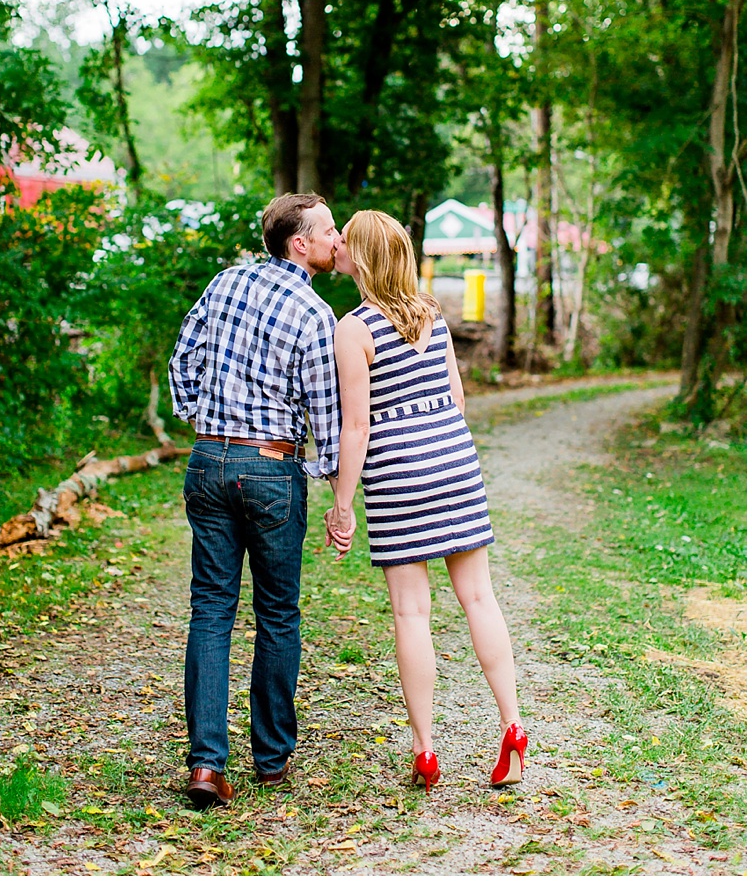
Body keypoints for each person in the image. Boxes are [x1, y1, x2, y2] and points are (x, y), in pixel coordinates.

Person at [325, 210, 527, 792]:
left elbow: (357, 427)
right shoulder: (431, 315)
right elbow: (457, 400)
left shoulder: (354, 329)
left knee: (412, 614)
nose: (336, 248)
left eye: (346, 244)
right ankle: (512, 725)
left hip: (397, 472)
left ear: (360, 258)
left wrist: (344, 504)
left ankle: (426, 750)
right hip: (454, 460)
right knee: (480, 599)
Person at [169, 193, 341, 809]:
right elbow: (327, 413)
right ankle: (270, 759)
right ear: (301, 243)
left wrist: (200, 416)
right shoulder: (315, 315)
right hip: (271, 468)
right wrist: (333, 484)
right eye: (328, 230)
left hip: (208, 461)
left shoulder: (225, 283)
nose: (337, 238)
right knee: (277, 614)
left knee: (211, 610)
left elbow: (181, 356)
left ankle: (207, 765)